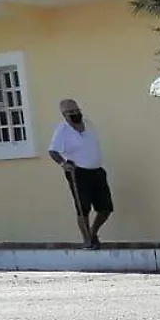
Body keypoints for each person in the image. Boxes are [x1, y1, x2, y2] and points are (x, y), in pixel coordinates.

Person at [47, 99, 110, 249]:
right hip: (78, 172)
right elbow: (53, 151)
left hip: (97, 170)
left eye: (76, 110)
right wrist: (64, 164)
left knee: (106, 208)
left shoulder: (88, 124)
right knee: (83, 208)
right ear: (64, 114)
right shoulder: (62, 130)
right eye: (70, 112)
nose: (75, 113)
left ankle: (93, 232)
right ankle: (87, 240)